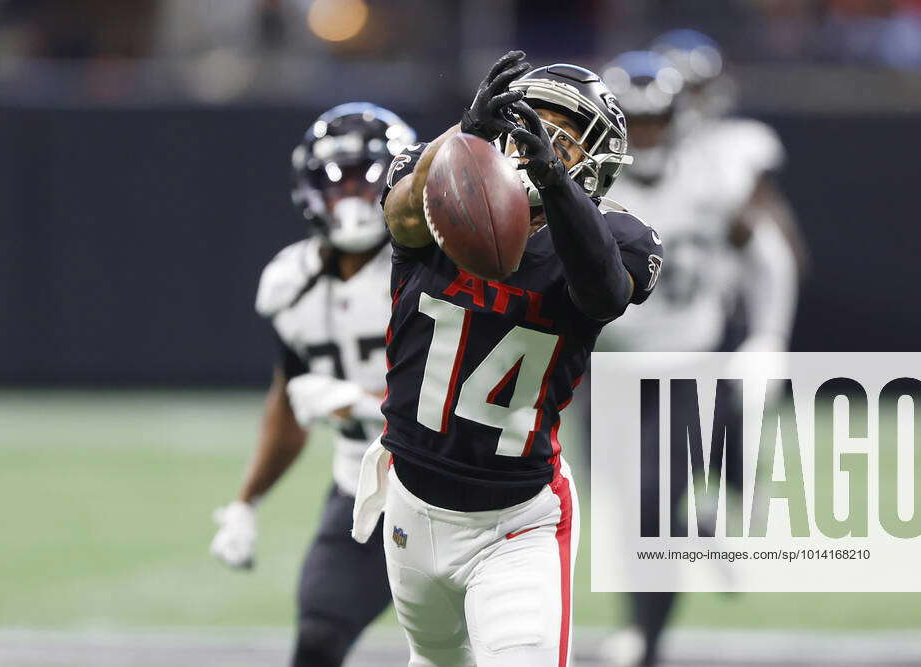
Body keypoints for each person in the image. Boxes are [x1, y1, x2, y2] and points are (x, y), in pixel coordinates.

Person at [359, 51, 662, 667]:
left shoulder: (621, 236)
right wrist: (463, 139)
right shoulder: (435, 191)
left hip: (516, 521)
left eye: (563, 140)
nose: (538, 144)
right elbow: (400, 216)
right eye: (527, 124)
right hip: (412, 503)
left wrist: (554, 183)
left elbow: (603, 291)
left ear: (596, 165)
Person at [596, 34, 806, 667]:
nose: (649, 136)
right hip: (599, 370)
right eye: (634, 124)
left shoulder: (718, 171)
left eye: (658, 120)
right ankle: (698, 537)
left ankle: (647, 642)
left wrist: (768, 337)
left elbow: (771, 253)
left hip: (686, 364)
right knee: (617, 504)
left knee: (652, 503)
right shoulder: (584, 179)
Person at [209, 102, 416, 666]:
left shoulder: (438, 268)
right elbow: (289, 399)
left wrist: (367, 405)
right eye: (336, 180)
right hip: (364, 492)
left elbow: (470, 394)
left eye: (365, 178)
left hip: (457, 490)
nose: (350, 195)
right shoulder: (290, 283)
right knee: (318, 639)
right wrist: (247, 501)